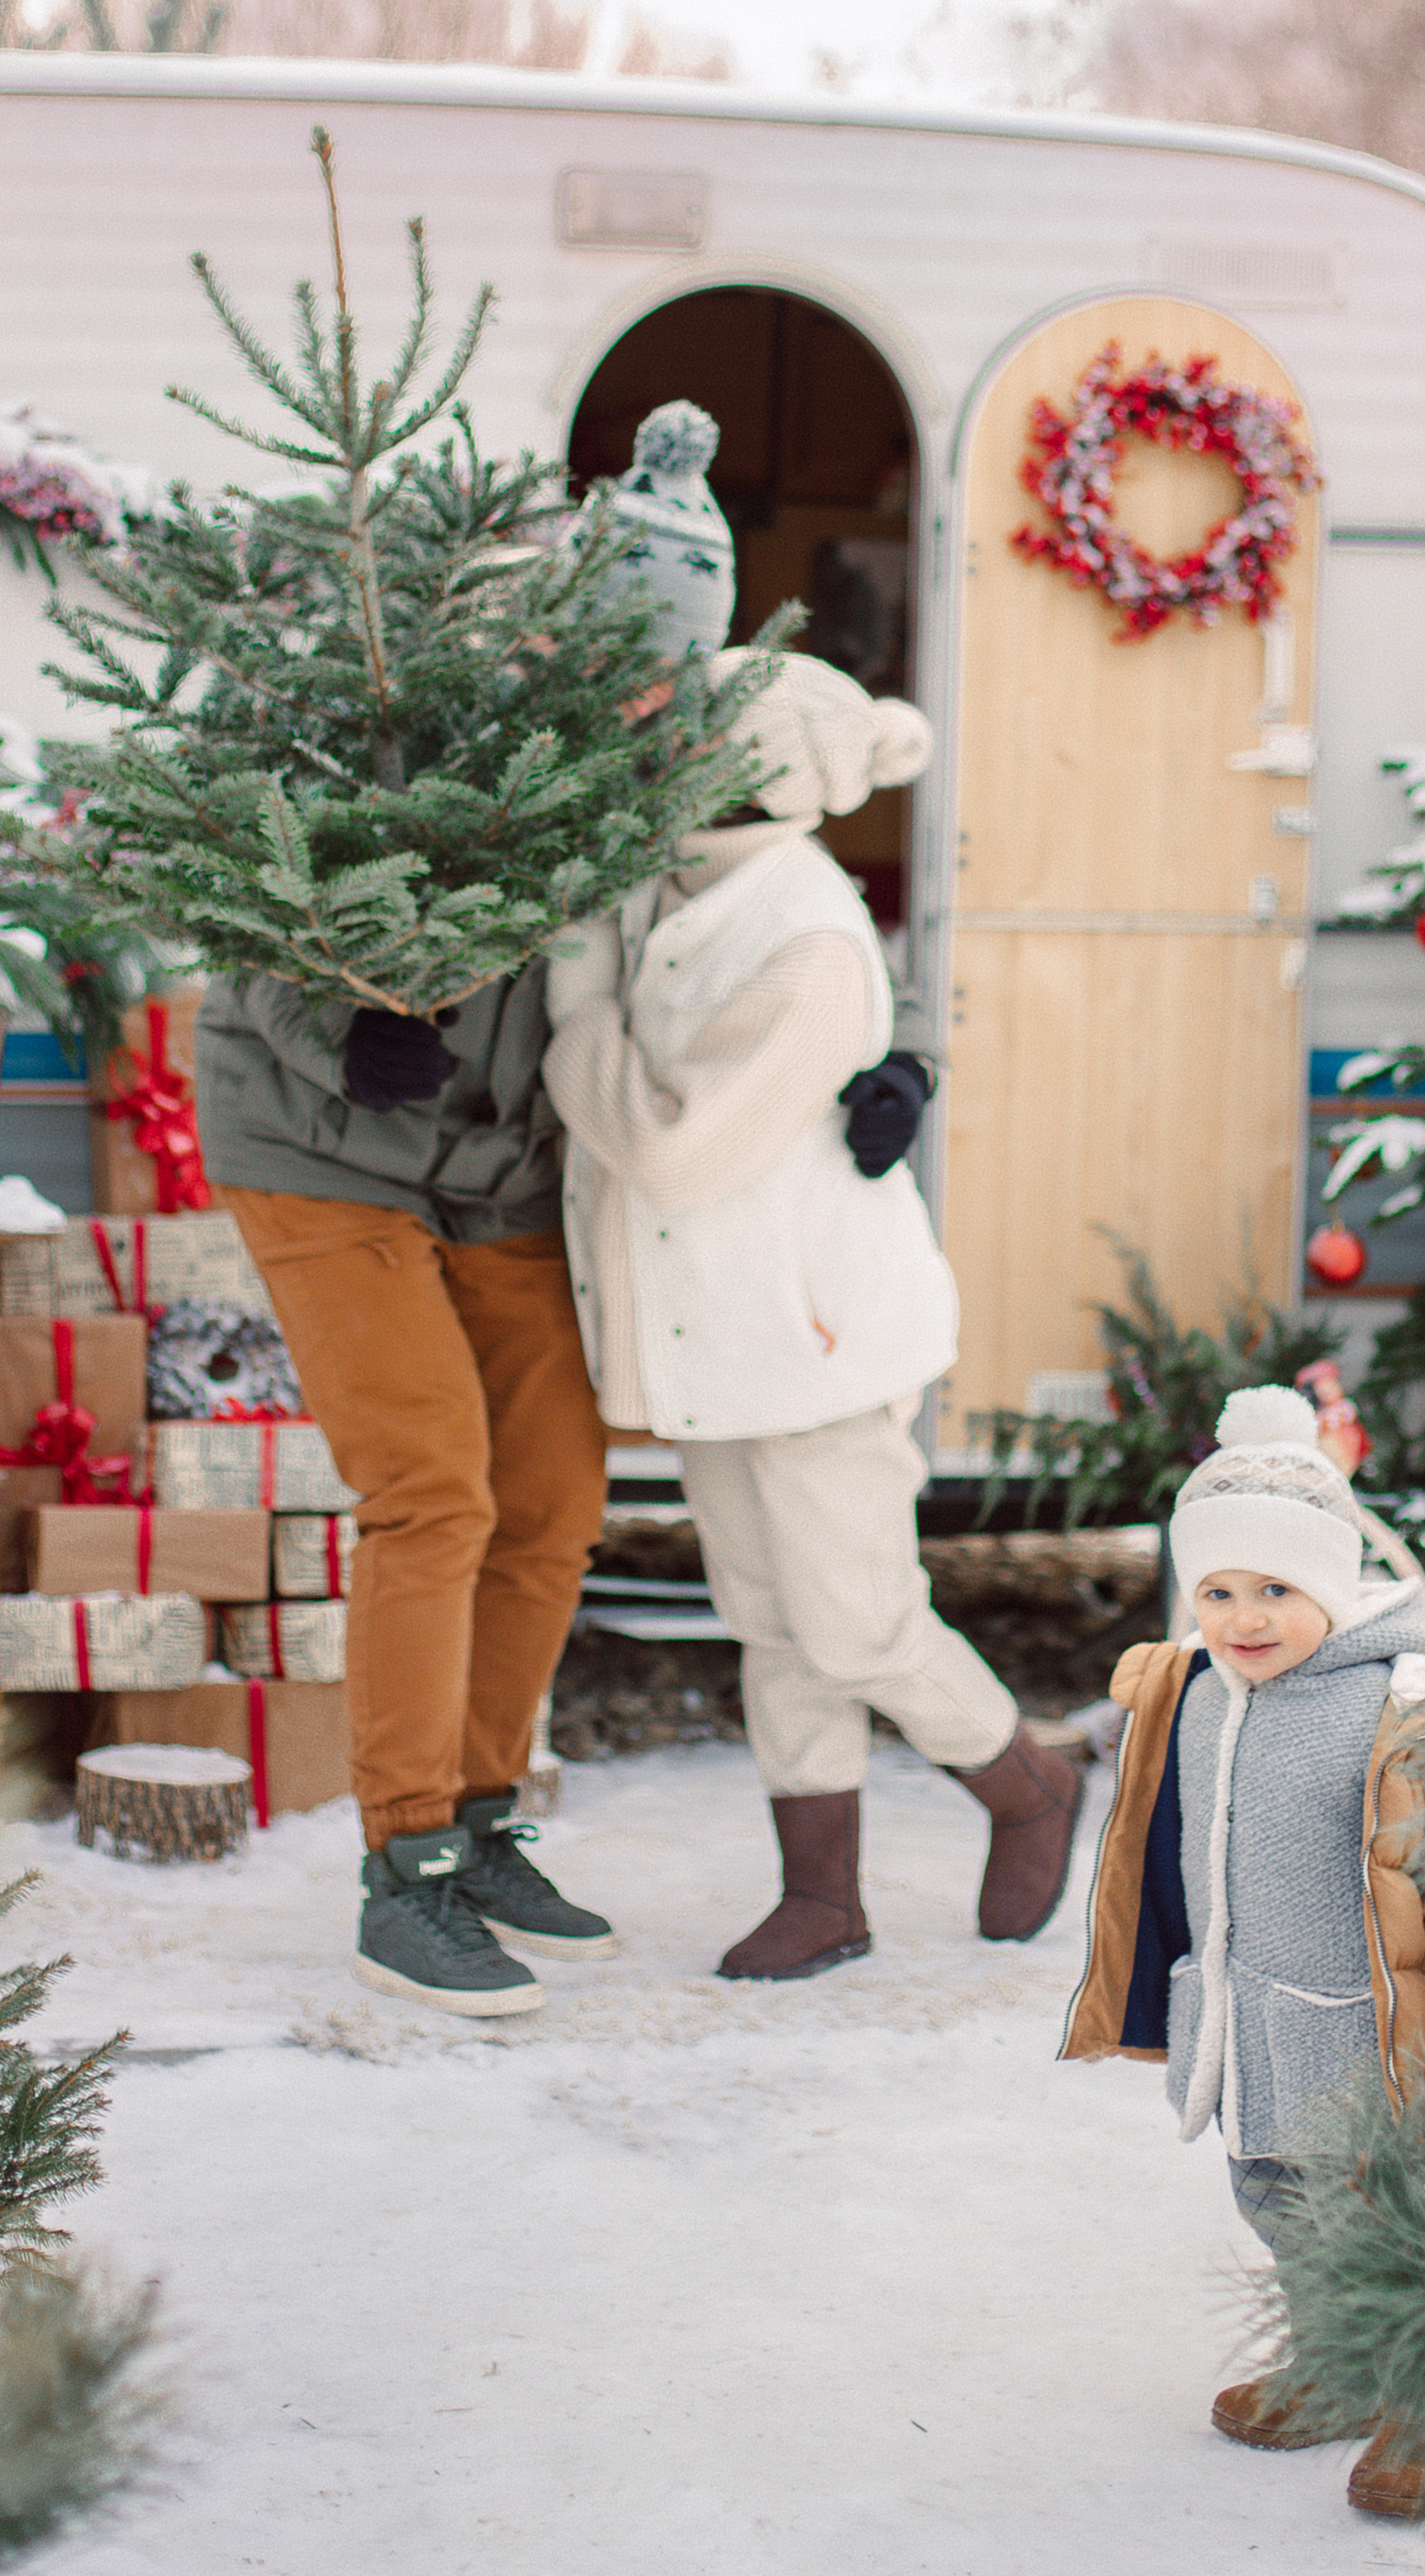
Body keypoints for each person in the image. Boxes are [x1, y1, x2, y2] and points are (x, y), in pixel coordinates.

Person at [193, 401, 938, 2019]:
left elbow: (787, 908)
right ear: (560, 628)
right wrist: (343, 1035)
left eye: (672, 664)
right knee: (432, 1486)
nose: (647, 694)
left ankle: (479, 1813)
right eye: (620, 655)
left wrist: (902, 1063)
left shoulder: (672, 757)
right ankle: (405, 1864)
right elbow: (250, 898)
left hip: (508, 1163)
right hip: (321, 1146)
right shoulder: (424, 727)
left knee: (551, 1492)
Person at [541, 648, 1085, 1981]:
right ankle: (823, 1897)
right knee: (771, 1617)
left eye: (682, 733)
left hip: (817, 1341)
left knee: (857, 1620)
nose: (652, 747)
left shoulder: (804, 938)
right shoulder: (684, 882)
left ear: (751, 763)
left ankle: (1028, 1784)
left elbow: (670, 1151)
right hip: (720, 1342)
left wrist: (578, 1019)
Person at [1058, 1385, 1425, 2521]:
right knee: (1276, 2206)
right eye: (1219, 1590)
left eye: (1277, 1587)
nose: (1246, 1616)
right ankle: (1339, 2366)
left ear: (1329, 1583)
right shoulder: (1201, 1699)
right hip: (1251, 2033)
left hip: (1367, 2041)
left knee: (1393, 2224)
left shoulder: (1394, 1704)